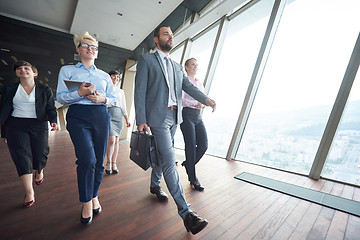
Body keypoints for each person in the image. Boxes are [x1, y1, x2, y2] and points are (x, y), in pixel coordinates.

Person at [134, 25, 216, 235]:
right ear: (156, 39)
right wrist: (141, 119)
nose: (170, 36)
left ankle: (154, 184)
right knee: (170, 159)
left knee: (163, 156)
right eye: (165, 34)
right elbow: (140, 89)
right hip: (157, 117)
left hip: (175, 117)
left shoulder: (178, 66)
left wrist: (205, 99)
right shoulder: (147, 60)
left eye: (171, 34)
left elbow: (188, 87)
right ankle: (187, 213)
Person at [56, 32, 117, 225]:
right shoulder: (67, 71)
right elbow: (60, 98)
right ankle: (86, 201)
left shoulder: (104, 76)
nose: (90, 49)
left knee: (99, 161)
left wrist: (102, 99)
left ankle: (94, 196)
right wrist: (79, 93)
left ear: (97, 53)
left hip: (100, 115)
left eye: (94, 47)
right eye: (85, 45)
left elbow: (113, 99)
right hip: (77, 115)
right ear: (78, 49)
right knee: (87, 159)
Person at [0, 60, 58, 208]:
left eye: (27, 68)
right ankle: (29, 191)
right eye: (19, 68)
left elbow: (51, 108)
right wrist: (4, 132)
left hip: (38, 125)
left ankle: (39, 171)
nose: (23, 70)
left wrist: (53, 120)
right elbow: (3, 112)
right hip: (15, 125)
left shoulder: (45, 90)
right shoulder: (8, 89)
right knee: (22, 155)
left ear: (34, 73)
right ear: (16, 73)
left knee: (40, 154)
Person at [180, 58, 208, 191]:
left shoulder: (199, 82)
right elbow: (182, 99)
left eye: (197, 65)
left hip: (198, 116)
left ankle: (188, 164)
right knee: (190, 146)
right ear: (186, 67)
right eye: (192, 64)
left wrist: (203, 104)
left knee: (203, 145)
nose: (195, 67)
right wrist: (195, 103)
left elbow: (202, 97)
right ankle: (193, 179)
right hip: (187, 115)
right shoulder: (184, 81)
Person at [104, 70, 131, 175]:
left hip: (118, 114)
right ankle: (108, 163)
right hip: (108, 113)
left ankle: (114, 163)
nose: (116, 78)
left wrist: (127, 119)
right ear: (109, 77)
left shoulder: (121, 91)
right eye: (114, 76)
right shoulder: (105, 89)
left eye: (118, 77)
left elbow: (123, 106)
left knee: (116, 141)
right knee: (111, 140)